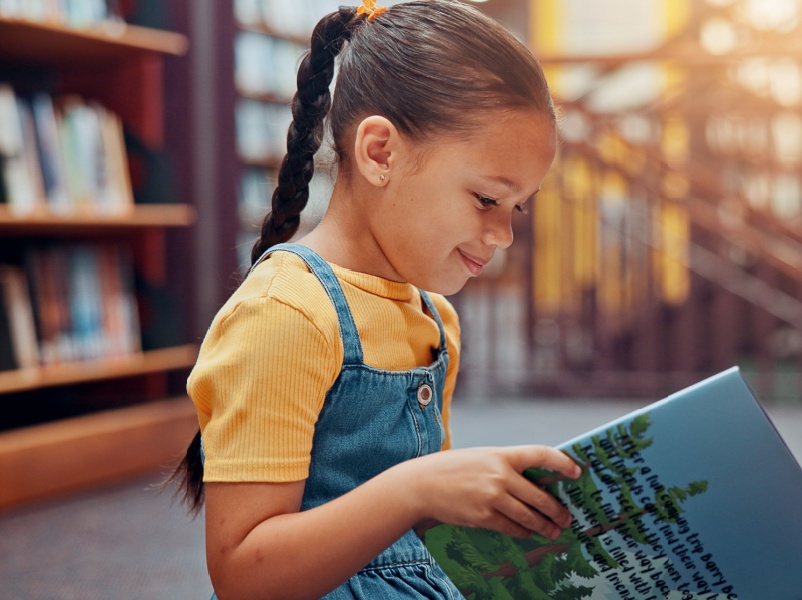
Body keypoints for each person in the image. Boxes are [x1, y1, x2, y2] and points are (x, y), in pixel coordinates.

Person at [170, 2, 580, 598]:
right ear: (380, 152)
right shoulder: (284, 315)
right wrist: (416, 488)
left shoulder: (435, 321)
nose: (503, 235)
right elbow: (243, 574)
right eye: (487, 199)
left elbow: (418, 539)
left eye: (517, 207)